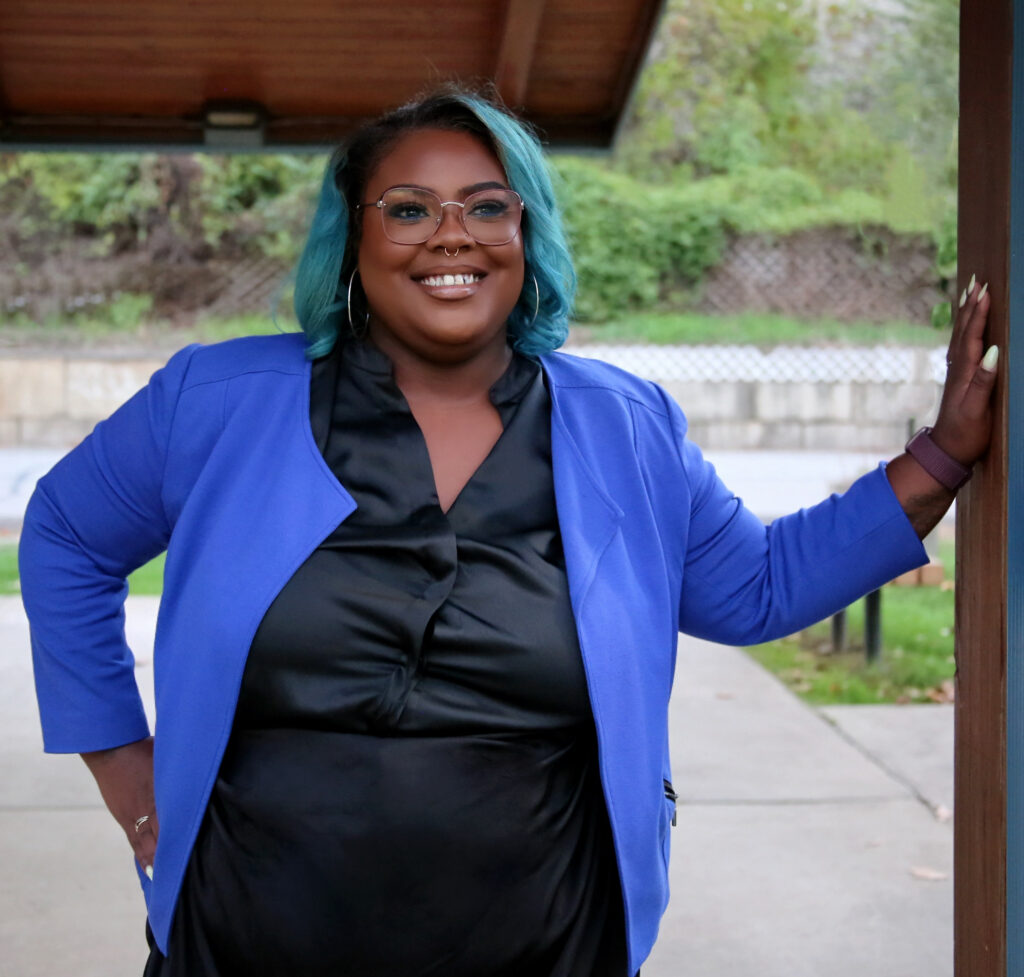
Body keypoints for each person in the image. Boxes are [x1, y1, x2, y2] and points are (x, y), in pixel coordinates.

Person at [19, 88, 997, 977]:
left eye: (486, 205)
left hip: (546, 939)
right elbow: (62, 532)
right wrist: (121, 760)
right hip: (242, 937)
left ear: (527, 232)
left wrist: (943, 454)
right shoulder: (220, 400)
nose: (452, 236)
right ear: (351, 239)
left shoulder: (622, 424)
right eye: (408, 208)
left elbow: (758, 585)